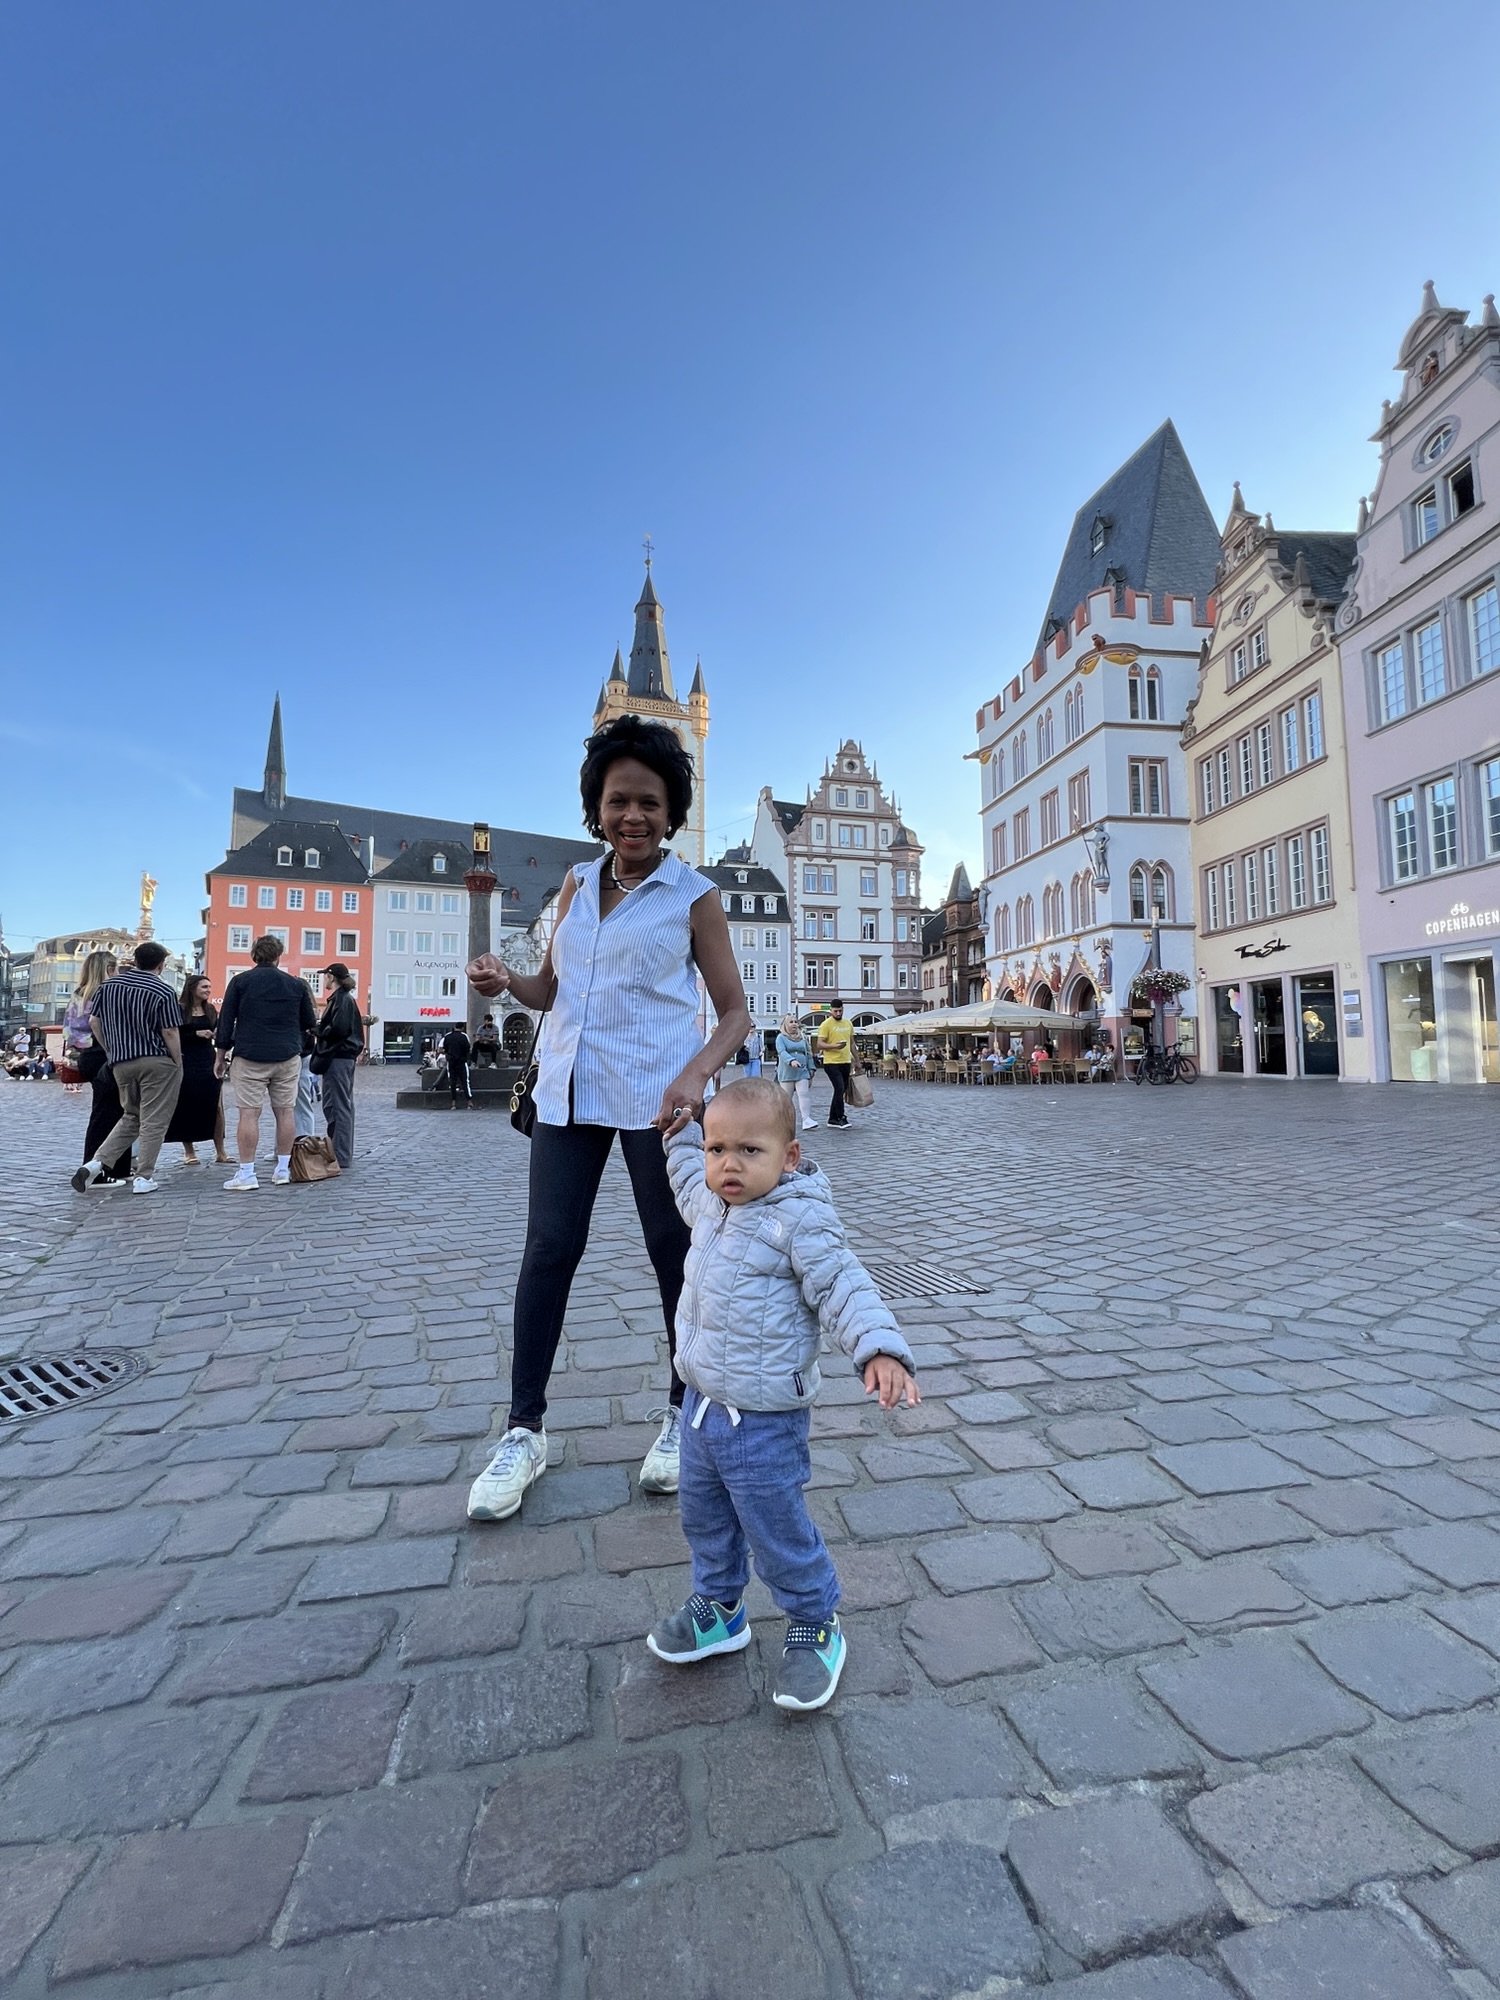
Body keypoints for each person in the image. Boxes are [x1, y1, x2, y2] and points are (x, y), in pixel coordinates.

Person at [464, 713, 750, 1522]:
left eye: (651, 803)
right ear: (597, 806)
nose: (634, 816)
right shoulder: (573, 886)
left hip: (661, 1101)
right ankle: (525, 1430)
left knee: (675, 1254)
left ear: (672, 811)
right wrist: (505, 980)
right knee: (549, 1249)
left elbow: (733, 1013)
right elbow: (553, 990)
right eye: (620, 800)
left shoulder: (695, 896)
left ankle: (680, 1414)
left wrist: (696, 1077)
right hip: (567, 1094)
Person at [647, 1078, 919, 1710]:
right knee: (703, 1517)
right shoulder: (712, 1202)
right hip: (701, 1407)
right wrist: (684, 1132)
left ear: (788, 1157)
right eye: (720, 1150)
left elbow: (843, 1284)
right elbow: (687, 1173)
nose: (728, 1165)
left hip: (764, 1420)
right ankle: (720, 1608)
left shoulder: (800, 1219)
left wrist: (877, 1347)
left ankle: (814, 1620)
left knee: (775, 1526)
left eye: (748, 1150)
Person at [69, 940, 183, 1195]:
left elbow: (94, 1021)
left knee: (131, 1116)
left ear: (135, 961)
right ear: (161, 965)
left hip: (121, 1061)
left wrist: (111, 1050)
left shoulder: (108, 987)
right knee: (154, 1120)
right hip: (156, 1059)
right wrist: (177, 1060)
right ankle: (144, 1177)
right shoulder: (162, 990)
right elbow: (169, 1030)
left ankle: (96, 1163)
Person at [213, 935, 317, 1190]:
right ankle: (283, 1169)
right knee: (285, 1112)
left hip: (250, 1055)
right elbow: (308, 1023)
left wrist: (220, 1055)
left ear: (254, 955)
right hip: (287, 1055)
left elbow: (225, 1021)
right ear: (278, 956)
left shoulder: (240, 982)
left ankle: (247, 1173)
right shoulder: (296, 985)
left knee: (249, 1113)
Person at [165, 974, 227, 1165]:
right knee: (186, 1104)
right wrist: (195, 1033)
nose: (208, 990)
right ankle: (189, 1151)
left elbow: (217, 1030)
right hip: (185, 1059)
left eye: (209, 987)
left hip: (207, 1059)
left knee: (216, 1106)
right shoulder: (179, 1009)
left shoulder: (210, 1009)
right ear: (192, 988)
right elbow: (171, 1035)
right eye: (204, 987)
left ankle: (220, 1151)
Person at [313, 962, 363, 1168]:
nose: (324, 979)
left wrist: (318, 1030)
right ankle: (338, 1151)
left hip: (338, 1057)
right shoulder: (341, 998)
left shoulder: (342, 999)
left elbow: (339, 1029)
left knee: (339, 1106)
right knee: (334, 1104)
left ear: (331, 977)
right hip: (340, 1057)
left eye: (325, 976)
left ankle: (341, 1155)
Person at [814, 1000, 854, 1129]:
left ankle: (832, 1118)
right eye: (835, 1011)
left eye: (840, 1010)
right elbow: (819, 1044)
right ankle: (841, 1117)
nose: (838, 1013)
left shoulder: (848, 1023)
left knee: (841, 1090)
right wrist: (834, 1046)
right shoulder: (826, 1024)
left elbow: (852, 1043)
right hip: (831, 1062)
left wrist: (857, 1061)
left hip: (845, 1061)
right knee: (839, 1087)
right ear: (830, 1010)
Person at [774, 1014, 817, 1131]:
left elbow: (808, 1053)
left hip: (802, 1070)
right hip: (787, 1071)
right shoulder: (781, 1038)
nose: (794, 1024)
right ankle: (783, 1121)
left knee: (804, 1094)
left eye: (795, 1022)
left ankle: (806, 1119)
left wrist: (811, 1067)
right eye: (791, 1022)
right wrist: (791, 1060)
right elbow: (781, 1052)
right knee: (787, 1097)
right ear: (785, 1025)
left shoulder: (802, 1037)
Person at [443, 1023, 473, 1107]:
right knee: (465, 1081)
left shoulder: (447, 1036)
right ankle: (469, 1101)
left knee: (452, 1082)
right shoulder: (464, 1036)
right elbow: (467, 1048)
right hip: (462, 1061)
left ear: (454, 1027)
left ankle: (453, 1103)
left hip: (451, 1061)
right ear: (462, 1028)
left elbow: (445, 1048)